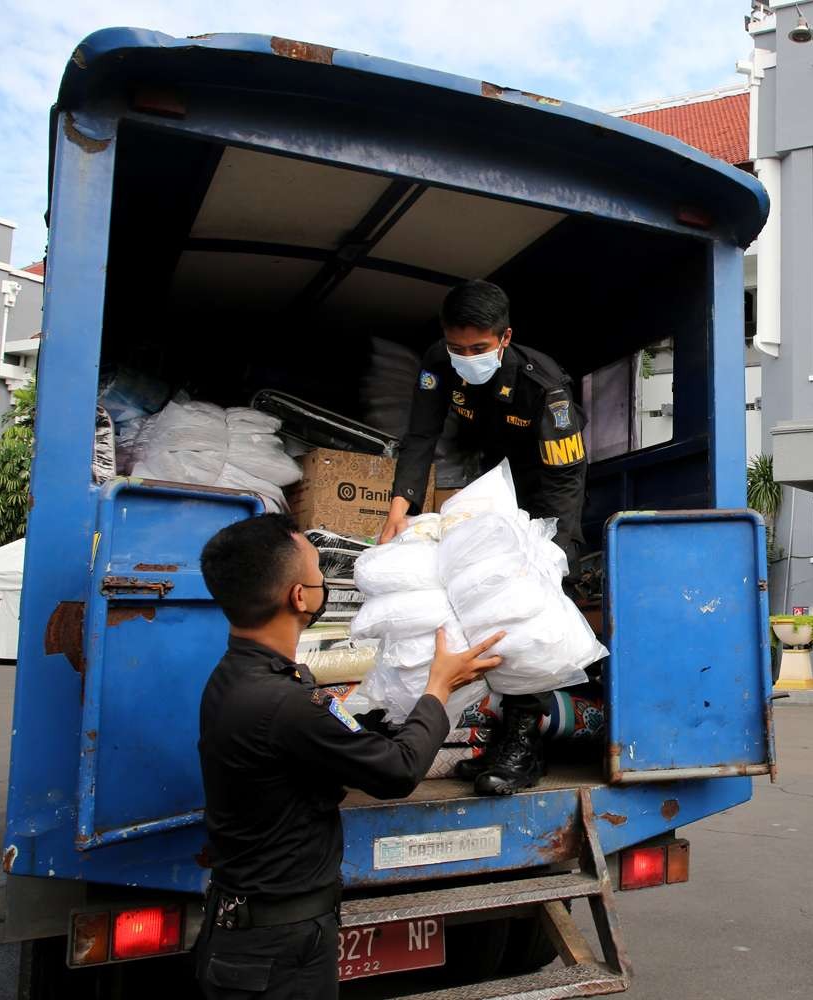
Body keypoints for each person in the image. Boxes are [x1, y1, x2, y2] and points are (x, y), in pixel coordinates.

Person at [195, 514, 504, 1000]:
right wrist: (438, 689)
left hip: (252, 931)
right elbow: (397, 771)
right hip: (277, 950)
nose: (323, 583)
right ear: (300, 597)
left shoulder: (236, 678)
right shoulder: (285, 704)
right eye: (318, 573)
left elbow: (313, 753)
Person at [380, 278, 588, 795]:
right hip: (493, 489)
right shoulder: (437, 359)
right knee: (475, 608)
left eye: (478, 349)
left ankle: (524, 744)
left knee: (527, 613)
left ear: (504, 337)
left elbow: (565, 479)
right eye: (458, 348)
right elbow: (422, 435)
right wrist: (398, 508)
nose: (466, 357)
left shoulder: (546, 387)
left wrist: (550, 551)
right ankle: (499, 738)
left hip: (548, 492)